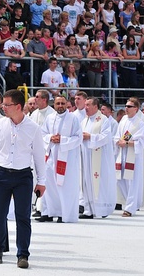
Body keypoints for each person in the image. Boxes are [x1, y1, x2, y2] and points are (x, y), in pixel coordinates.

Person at [0, 89, 46, 268]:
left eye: (6, 105)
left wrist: (42, 181)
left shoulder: (33, 128)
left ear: (18, 106)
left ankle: (23, 254)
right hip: (1, 174)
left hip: (23, 175)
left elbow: (40, 156)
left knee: (23, 216)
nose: (2, 107)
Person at [41, 95, 82, 223]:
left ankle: (64, 214)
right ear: (54, 105)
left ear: (66, 104)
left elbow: (78, 138)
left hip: (67, 158)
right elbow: (42, 134)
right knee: (49, 185)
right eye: (58, 103)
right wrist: (50, 138)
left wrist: (62, 140)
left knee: (65, 187)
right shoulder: (50, 118)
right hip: (51, 156)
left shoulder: (73, 119)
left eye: (62, 103)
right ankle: (48, 212)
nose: (60, 106)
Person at [79, 97, 116, 219]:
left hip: (99, 157)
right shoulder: (84, 121)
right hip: (85, 155)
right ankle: (88, 210)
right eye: (85, 105)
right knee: (86, 181)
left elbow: (106, 137)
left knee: (98, 182)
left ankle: (101, 209)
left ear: (96, 107)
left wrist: (90, 136)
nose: (86, 107)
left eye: (88, 105)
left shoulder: (103, 120)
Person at [114, 97, 144, 217]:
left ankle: (130, 208)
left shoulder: (139, 123)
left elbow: (143, 141)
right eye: (126, 106)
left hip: (133, 156)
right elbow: (118, 135)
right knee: (120, 180)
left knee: (132, 182)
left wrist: (128, 143)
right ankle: (130, 203)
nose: (126, 108)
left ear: (136, 109)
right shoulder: (123, 119)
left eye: (129, 106)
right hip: (122, 153)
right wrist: (118, 141)